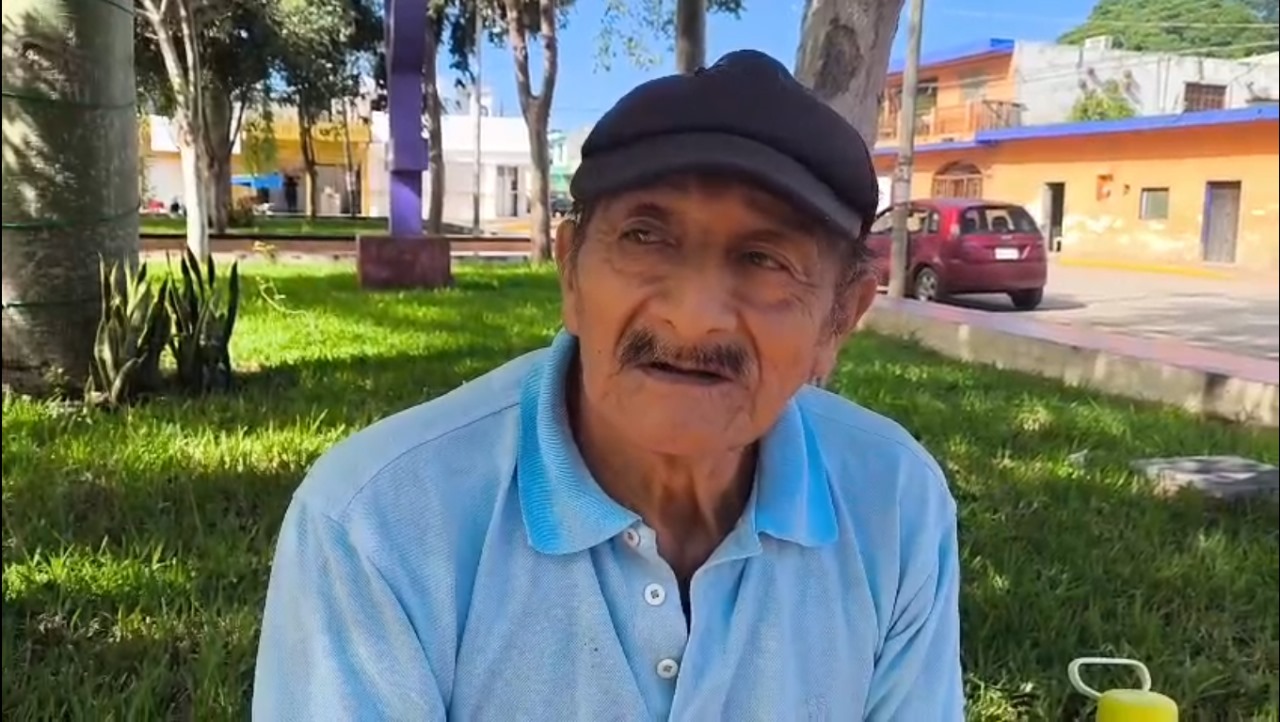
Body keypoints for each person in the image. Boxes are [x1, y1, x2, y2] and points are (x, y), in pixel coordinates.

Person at [253, 49, 964, 721]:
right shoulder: (378, 524)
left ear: (841, 317)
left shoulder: (894, 503)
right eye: (645, 238)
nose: (693, 316)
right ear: (570, 274)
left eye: (765, 259)